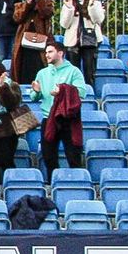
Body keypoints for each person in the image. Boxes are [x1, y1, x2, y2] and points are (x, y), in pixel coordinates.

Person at [35, 43, 87, 173]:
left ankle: (76, 184)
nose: (47, 55)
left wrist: (62, 90)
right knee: (48, 155)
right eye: (46, 52)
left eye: (50, 52)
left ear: (60, 53)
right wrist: (36, 91)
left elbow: (81, 92)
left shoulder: (74, 71)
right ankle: (54, 183)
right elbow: (34, 97)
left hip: (68, 118)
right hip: (49, 118)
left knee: (73, 155)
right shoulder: (42, 73)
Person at [61, 0, 106, 87]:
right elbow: (64, 24)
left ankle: (89, 94)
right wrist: (70, 9)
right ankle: (74, 95)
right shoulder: (69, 3)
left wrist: (91, 6)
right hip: (73, 41)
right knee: (73, 72)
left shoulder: (95, 3)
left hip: (90, 41)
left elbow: (98, 20)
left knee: (89, 71)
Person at [12, 0, 55, 85]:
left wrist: (40, 1)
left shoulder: (46, 3)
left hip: (41, 43)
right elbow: (18, 18)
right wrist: (28, 4)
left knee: (40, 65)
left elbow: (46, 13)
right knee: (24, 68)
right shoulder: (20, 5)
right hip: (24, 45)